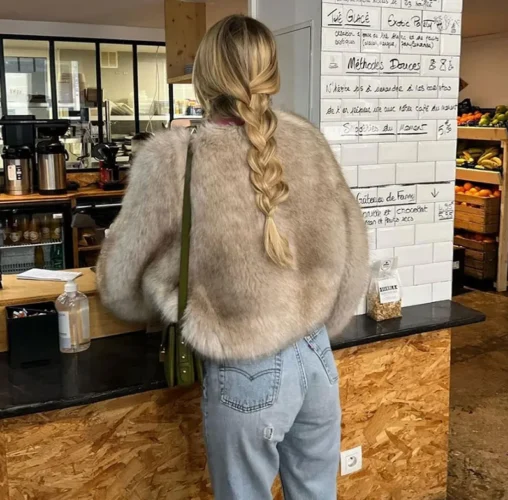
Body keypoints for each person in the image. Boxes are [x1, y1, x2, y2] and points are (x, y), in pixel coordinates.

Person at [97, 15, 368, 500]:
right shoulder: (310, 142)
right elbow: (354, 256)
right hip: (316, 359)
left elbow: (120, 285)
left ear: (204, 78)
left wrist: (168, 290)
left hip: (247, 371)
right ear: (270, 73)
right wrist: (320, 322)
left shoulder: (174, 158)